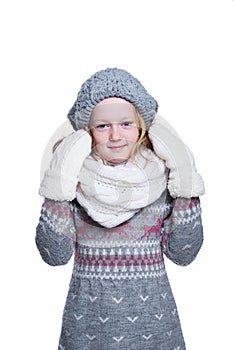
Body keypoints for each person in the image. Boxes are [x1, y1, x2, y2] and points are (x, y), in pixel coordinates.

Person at [36, 68, 205, 350]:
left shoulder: (161, 183)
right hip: (86, 330)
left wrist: (186, 184)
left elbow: (183, 253)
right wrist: (57, 186)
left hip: (156, 329)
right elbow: (55, 255)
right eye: (102, 126)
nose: (115, 135)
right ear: (86, 133)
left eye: (126, 123)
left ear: (141, 126)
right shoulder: (73, 186)